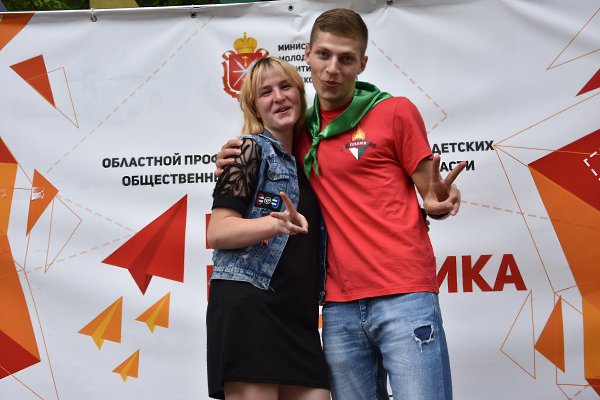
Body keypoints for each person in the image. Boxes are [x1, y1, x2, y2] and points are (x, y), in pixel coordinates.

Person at [215, 8, 465, 400]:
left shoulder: (394, 111)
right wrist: (232, 158)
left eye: (346, 58)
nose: (333, 69)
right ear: (308, 55)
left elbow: (433, 194)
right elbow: (261, 152)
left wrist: (441, 202)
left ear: (362, 63)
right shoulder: (301, 130)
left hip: (403, 295)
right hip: (337, 307)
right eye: (324, 55)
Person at [206, 57, 330, 400]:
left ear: (300, 94)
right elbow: (218, 232)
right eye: (265, 92)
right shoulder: (247, 150)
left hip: (300, 318)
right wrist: (274, 223)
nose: (278, 97)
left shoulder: (310, 160)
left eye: (286, 86)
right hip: (250, 308)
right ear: (255, 107)